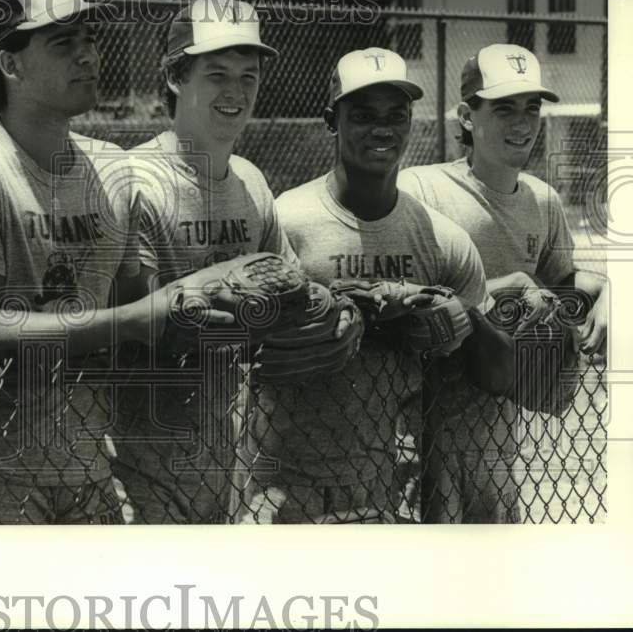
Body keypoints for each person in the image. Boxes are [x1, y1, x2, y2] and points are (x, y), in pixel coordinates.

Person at [0, 0, 227, 524]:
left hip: (91, 468)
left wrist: (224, 300)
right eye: (64, 43)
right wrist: (135, 318)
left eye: (90, 40)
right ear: (10, 64)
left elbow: (136, 295)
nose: (88, 56)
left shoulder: (112, 167)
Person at [237, 47, 515, 524]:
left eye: (396, 114)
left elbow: (501, 375)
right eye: (363, 115)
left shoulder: (439, 237)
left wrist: (462, 320)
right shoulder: (287, 220)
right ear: (331, 120)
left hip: (389, 485)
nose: (382, 129)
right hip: (283, 480)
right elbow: (238, 341)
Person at [397, 43, 609, 522]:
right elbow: (407, 305)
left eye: (531, 108)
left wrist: (607, 292)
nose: (523, 122)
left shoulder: (543, 200)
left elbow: (559, 282)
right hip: (416, 429)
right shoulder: (422, 190)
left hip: (497, 433)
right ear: (467, 116)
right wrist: (506, 283)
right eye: (504, 107)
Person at [113, 0, 297, 523]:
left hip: (230, 447)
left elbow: (287, 297)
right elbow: (141, 327)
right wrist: (248, 302)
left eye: (248, 76)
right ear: (175, 76)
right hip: (142, 455)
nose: (235, 92)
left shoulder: (252, 182)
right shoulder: (135, 181)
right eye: (216, 74)